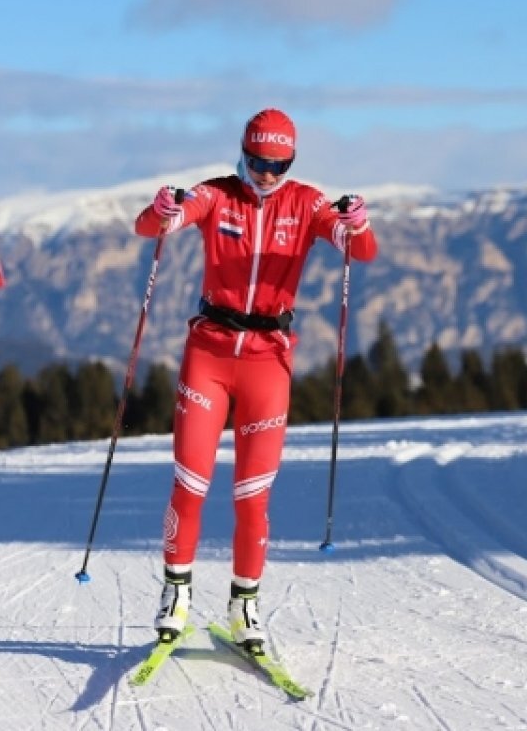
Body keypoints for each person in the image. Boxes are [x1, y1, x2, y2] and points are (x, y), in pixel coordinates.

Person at [134, 108, 378, 651]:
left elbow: (362, 251)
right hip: (210, 353)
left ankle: (244, 606)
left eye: (280, 163)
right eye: (259, 161)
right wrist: (162, 211)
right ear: (242, 152)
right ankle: (176, 593)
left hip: (269, 360)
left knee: (252, 497)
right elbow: (152, 227)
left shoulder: (307, 201)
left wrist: (357, 223)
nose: (268, 174)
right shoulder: (217, 195)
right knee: (191, 483)